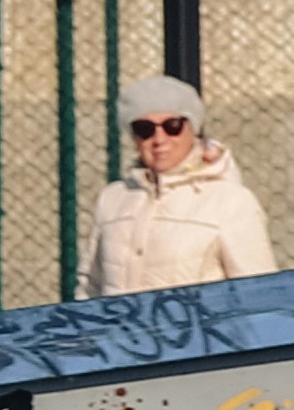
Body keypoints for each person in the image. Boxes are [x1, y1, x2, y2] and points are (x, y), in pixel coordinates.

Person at [85, 74, 277, 296]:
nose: (159, 139)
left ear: (193, 128)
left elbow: (258, 294)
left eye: (172, 126)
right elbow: (90, 287)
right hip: (119, 331)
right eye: (144, 129)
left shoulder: (230, 202)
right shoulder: (113, 199)